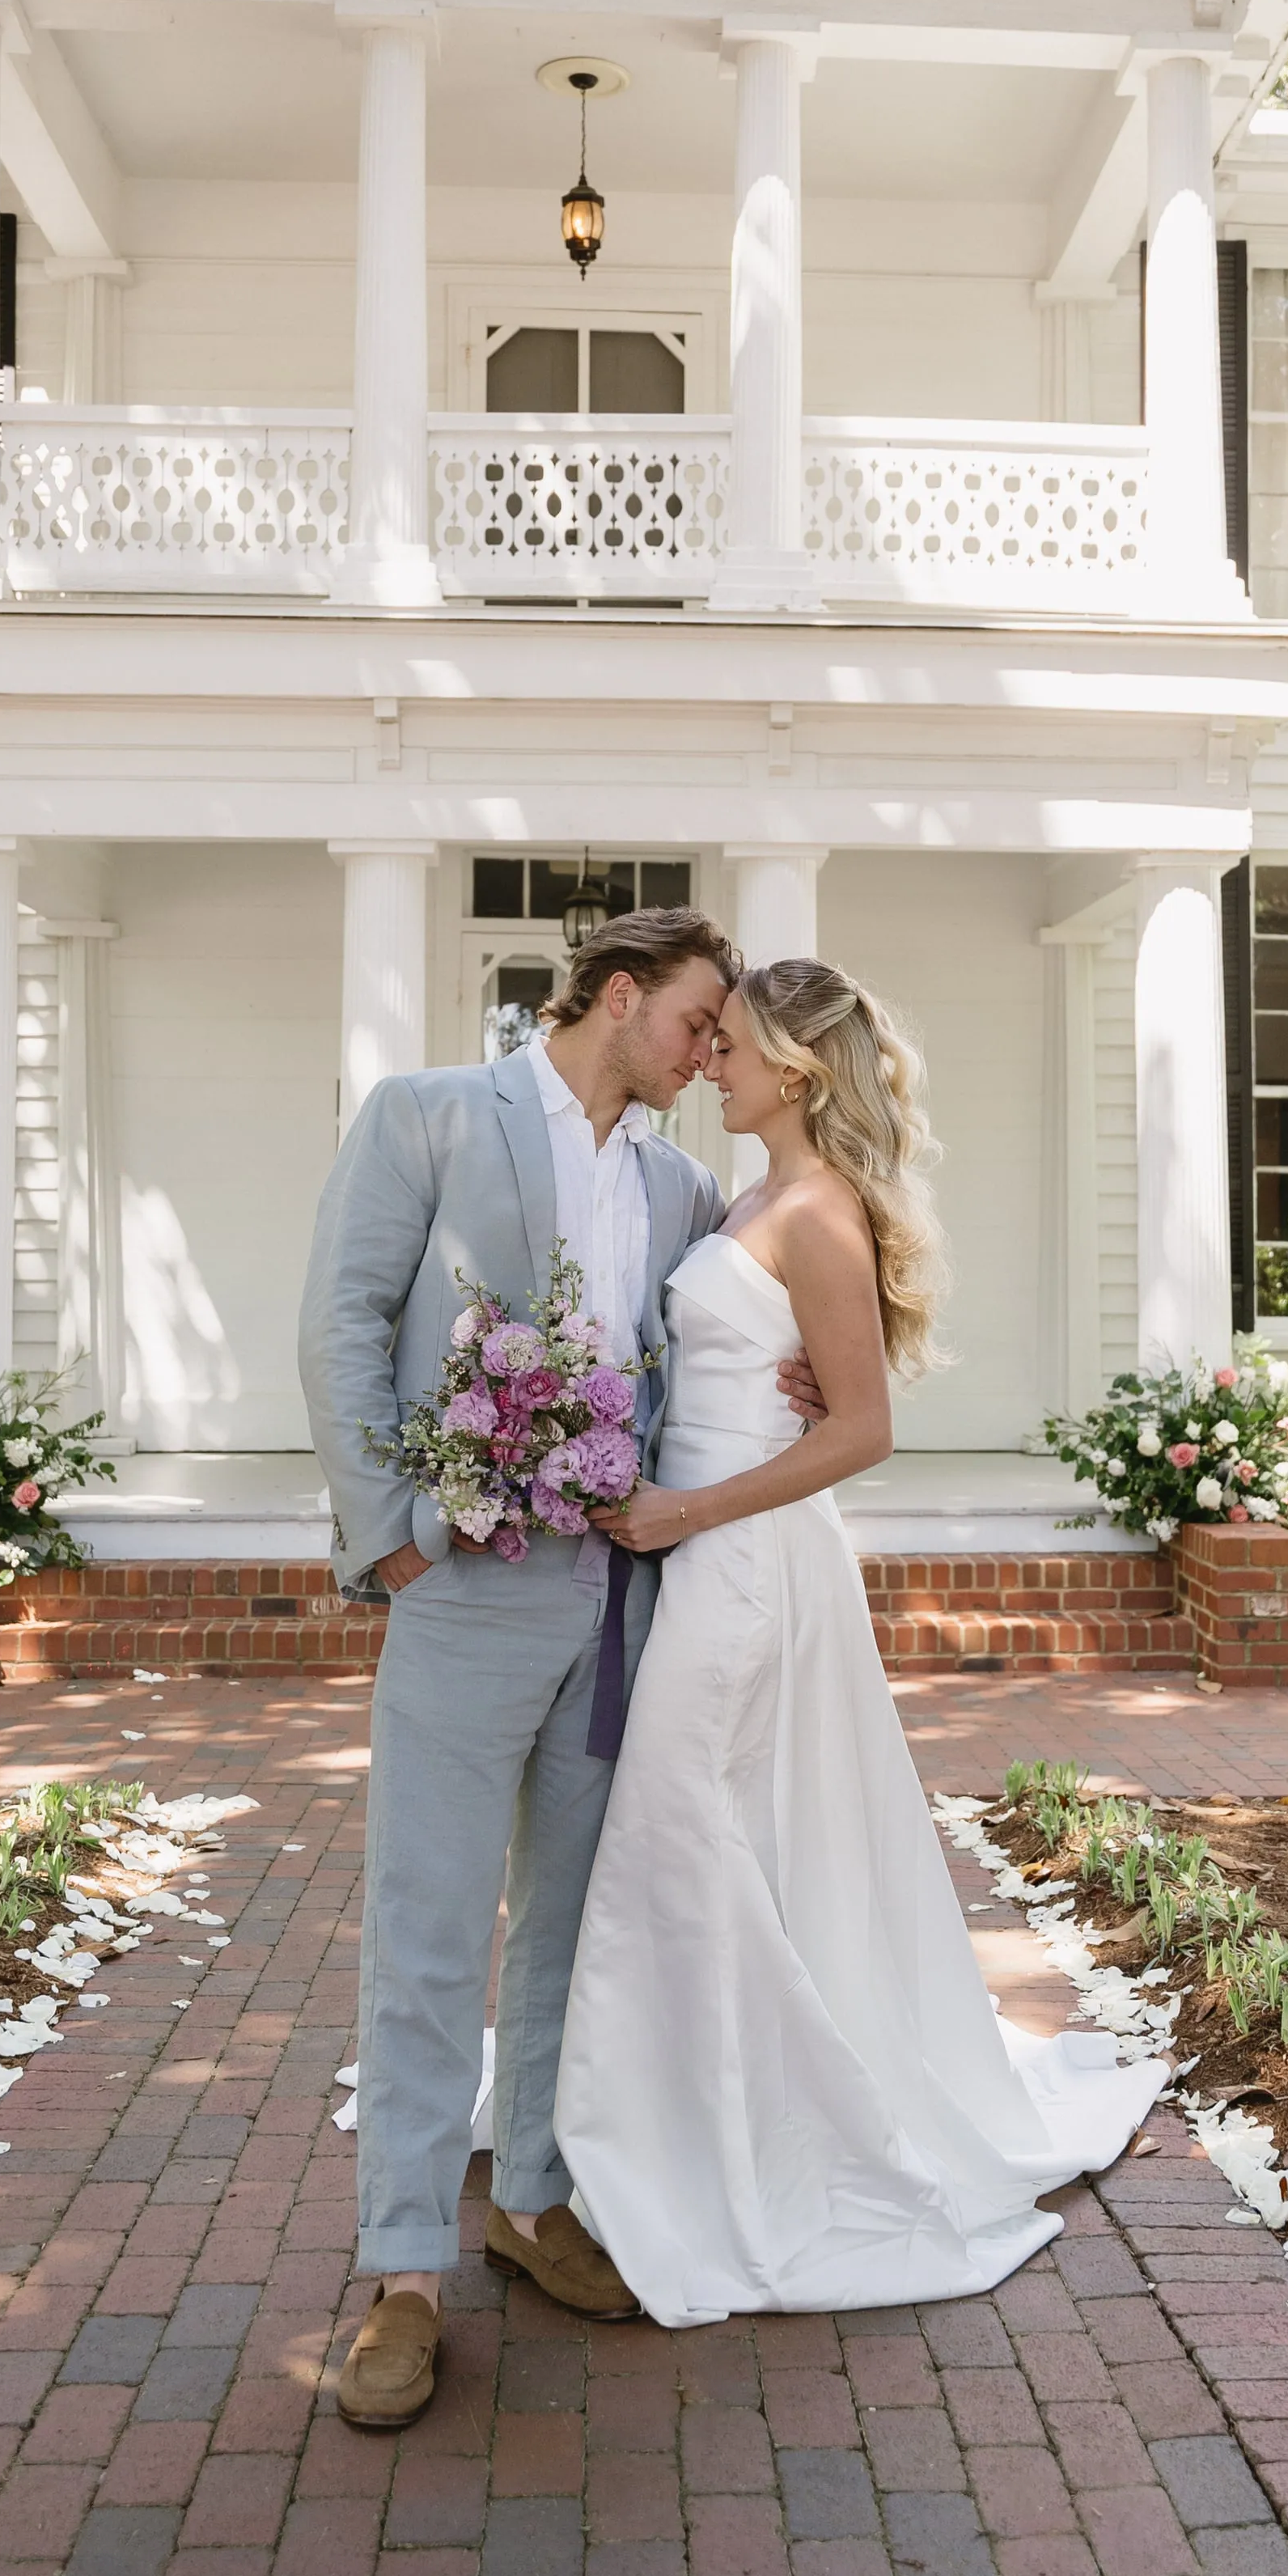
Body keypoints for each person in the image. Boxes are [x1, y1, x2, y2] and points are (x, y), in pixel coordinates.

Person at [554, 958, 1164, 2325]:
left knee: (680, 1815)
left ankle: (701, 2131)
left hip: (744, 1560)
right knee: (725, 1827)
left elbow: (863, 1429)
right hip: (700, 1542)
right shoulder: (746, 1197)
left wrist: (689, 1507)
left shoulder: (817, 1210)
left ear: (799, 1070)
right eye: (706, 1043)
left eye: (735, 1047)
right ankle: (683, 2102)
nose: (711, 1061)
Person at [299, 907, 820, 2427]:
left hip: (617, 1607)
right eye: (699, 1021)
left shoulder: (683, 1184)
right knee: (430, 1924)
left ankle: (528, 2198)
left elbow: (746, 1323)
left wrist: (790, 1372)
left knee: (569, 1930)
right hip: (460, 1591)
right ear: (617, 995)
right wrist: (386, 1533)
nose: (712, 1050)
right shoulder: (430, 1114)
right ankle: (403, 2272)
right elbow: (339, 1318)